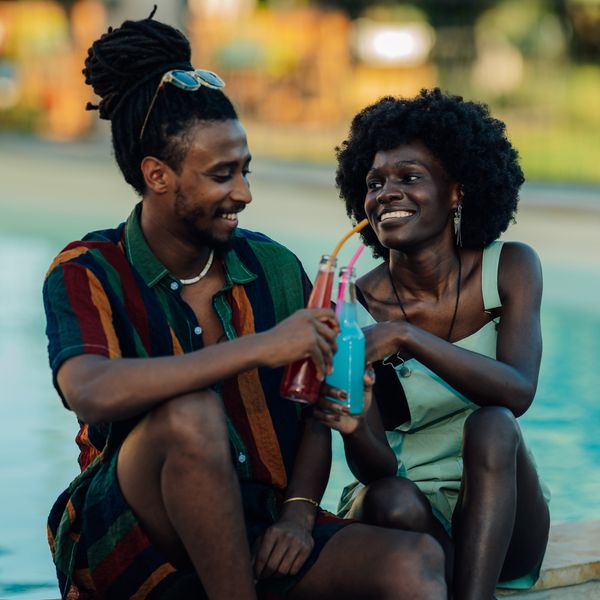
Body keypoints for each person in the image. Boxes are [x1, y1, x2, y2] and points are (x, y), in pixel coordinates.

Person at [42, 12, 448, 600]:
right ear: (158, 175)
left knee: (415, 562)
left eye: (246, 170)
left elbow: (314, 409)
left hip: (261, 517)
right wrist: (260, 347)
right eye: (221, 175)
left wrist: (299, 515)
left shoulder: (274, 267)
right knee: (191, 415)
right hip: (139, 534)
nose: (244, 193)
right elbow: (88, 388)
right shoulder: (88, 269)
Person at [314, 89, 551, 600]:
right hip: (409, 519)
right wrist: (354, 424)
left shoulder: (509, 266)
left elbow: (516, 393)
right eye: (374, 183)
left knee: (493, 424)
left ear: (457, 192)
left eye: (409, 177)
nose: (386, 193)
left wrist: (405, 336)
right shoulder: (353, 307)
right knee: (390, 496)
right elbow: (375, 469)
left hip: (502, 511)